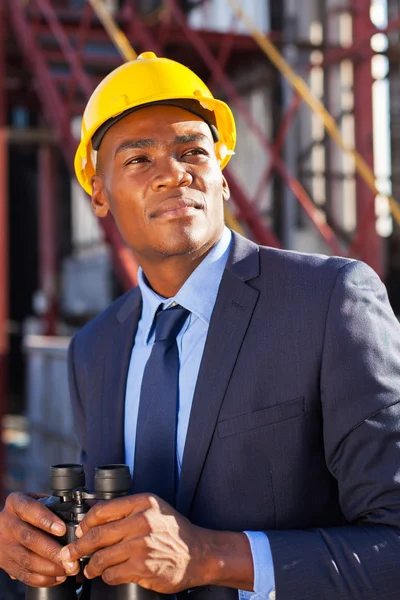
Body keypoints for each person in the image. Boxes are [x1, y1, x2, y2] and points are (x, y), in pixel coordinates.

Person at [1, 52, 400, 600]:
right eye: (138, 159)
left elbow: (392, 545)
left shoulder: (329, 302)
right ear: (98, 192)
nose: (172, 172)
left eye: (192, 150)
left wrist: (211, 557)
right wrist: (48, 546)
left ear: (223, 176)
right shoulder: (94, 349)